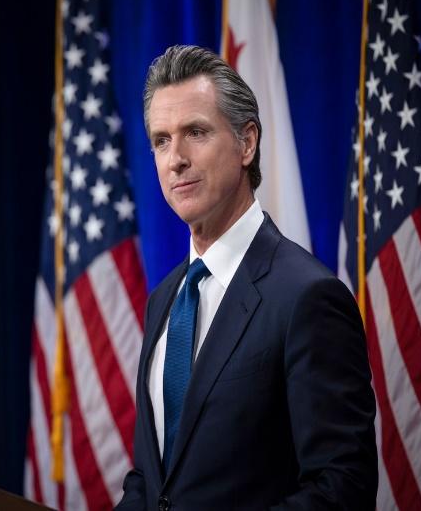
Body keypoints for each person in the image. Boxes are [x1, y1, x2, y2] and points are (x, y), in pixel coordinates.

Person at [115, 45, 377, 510]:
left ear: (247, 143)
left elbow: (342, 487)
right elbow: (150, 482)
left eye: (195, 132)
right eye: (161, 139)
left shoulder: (306, 296)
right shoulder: (164, 301)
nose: (175, 158)